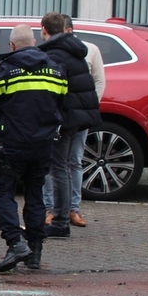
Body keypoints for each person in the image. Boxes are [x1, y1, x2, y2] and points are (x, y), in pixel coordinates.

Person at [0, 24, 66, 272]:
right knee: (35, 194)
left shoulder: (7, 70)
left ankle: (16, 243)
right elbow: (62, 99)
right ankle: (35, 250)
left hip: (11, 143)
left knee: (3, 192)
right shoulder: (56, 70)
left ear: (12, 46)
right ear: (33, 43)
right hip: (43, 144)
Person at [38, 12, 101, 239]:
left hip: (62, 119)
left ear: (44, 29)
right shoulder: (75, 51)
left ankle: (60, 219)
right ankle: (63, 215)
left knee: (58, 169)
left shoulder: (54, 55)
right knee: (64, 166)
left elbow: (52, 91)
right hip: (75, 118)